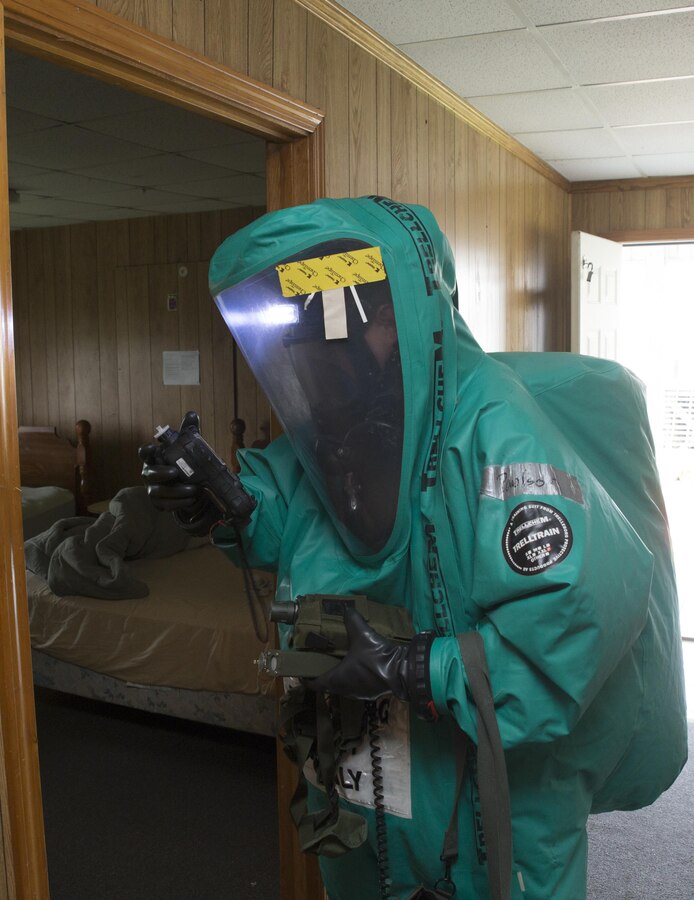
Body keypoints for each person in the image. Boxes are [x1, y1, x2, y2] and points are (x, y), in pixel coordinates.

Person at [140, 197, 688, 900]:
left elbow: (578, 616)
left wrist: (418, 667)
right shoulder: (355, 411)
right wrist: (227, 504)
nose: (343, 334)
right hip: (374, 762)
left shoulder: (497, 426)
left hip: (493, 774)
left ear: (412, 305)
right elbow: (305, 514)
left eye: (371, 308)